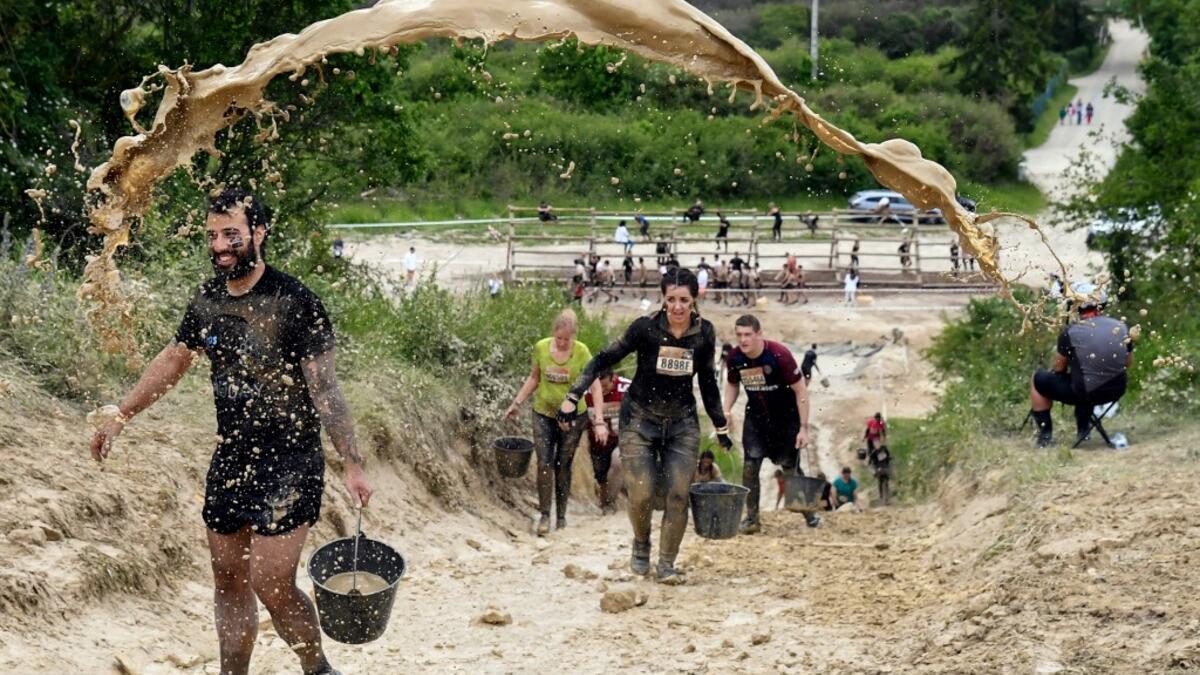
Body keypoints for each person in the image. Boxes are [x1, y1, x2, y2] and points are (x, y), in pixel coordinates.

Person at [88, 188, 373, 675]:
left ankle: (317, 668)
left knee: (272, 582)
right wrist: (122, 414)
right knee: (228, 579)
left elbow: (325, 389)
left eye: (231, 235)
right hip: (232, 458)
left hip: (291, 462)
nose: (220, 246)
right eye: (212, 235)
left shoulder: (296, 301)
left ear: (259, 233)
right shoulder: (207, 299)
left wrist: (352, 461)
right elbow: (174, 360)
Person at [561, 268, 730, 584]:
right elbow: (601, 359)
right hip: (639, 419)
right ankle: (641, 544)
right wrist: (573, 395)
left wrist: (720, 425)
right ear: (663, 300)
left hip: (682, 424)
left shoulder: (705, 333)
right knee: (641, 494)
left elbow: (708, 381)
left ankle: (666, 564)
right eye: (671, 300)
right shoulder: (644, 329)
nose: (677, 307)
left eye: (684, 300)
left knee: (679, 494)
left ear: (695, 300)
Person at [505, 309, 607, 534]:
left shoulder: (582, 352)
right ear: (553, 334)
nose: (561, 343)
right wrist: (517, 402)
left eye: (566, 339)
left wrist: (599, 419)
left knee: (563, 465)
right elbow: (534, 377)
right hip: (543, 412)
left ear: (574, 337)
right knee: (544, 464)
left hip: (573, 418)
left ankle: (561, 518)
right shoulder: (542, 347)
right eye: (558, 338)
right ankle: (544, 516)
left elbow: (595, 386)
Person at [723, 314, 819, 531]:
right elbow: (732, 384)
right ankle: (752, 518)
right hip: (756, 420)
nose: (743, 340)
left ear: (759, 334)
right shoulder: (735, 358)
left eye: (748, 335)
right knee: (749, 467)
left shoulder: (779, 355)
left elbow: (800, 390)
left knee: (790, 469)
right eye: (739, 335)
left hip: (786, 420)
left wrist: (803, 428)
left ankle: (810, 516)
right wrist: (726, 410)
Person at [1029, 282, 1133, 447]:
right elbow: (1127, 363)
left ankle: (1045, 436)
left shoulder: (1070, 331)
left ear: (1076, 306)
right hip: (1116, 390)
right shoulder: (1121, 327)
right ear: (1101, 304)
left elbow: (1059, 368)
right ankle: (1083, 430)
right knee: (1085, 379)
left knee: (1039, 379)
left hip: (1085, 392)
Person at [584, 368, 630, 513]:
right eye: (597, 387)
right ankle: (604, 504)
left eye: (605, 386)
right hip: (596, 441)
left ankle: (610, 503)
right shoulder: (584, 391)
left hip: (622, 438)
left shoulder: (628, 388)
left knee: (618, 462)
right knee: (600, 475)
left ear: (613, 379)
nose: (601, 390)